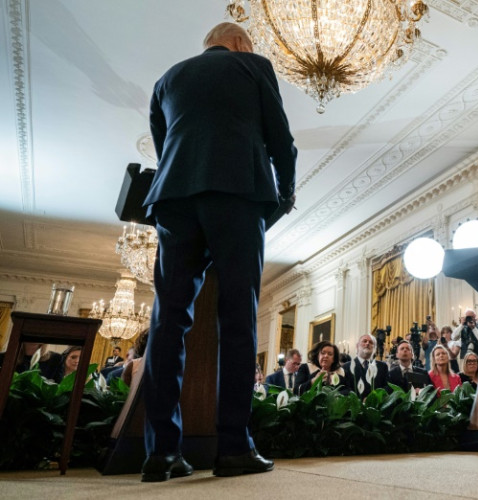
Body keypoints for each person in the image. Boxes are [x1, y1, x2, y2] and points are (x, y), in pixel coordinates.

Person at [140, 22, 297, 482]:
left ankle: (161, 453)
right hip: (237, 192)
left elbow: (163, 141)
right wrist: (285, 193)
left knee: (167, 321)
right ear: (242, 44)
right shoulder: (253, 66)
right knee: (237, 317)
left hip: (174, 198)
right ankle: (233, 447)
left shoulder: (167, 79)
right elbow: (279, 136)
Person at [342, 334, 389, 399]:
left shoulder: (382, 367)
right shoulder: (346, 367)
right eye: (364, 341)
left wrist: (374, 399)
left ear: (374, 348)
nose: (367, 343)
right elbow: (344, 389)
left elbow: (386, 387)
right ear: (357, 346)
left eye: (371, 342)